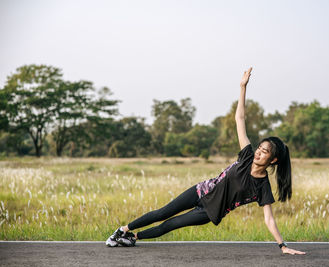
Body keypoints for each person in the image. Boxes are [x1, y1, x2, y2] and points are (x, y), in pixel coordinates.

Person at [106, 67, 306, 255]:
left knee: (171, 224)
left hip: (209, 212)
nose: (259, 153)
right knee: (163, 212)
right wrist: (242, 88)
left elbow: (269, 219)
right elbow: (240, 119)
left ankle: (132, 237)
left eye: (265, 152)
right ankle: (122, 230)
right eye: (260, 148)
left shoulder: (262, 186)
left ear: (274, 160)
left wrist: (282, 246)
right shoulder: (246, 156)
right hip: (201, 190)